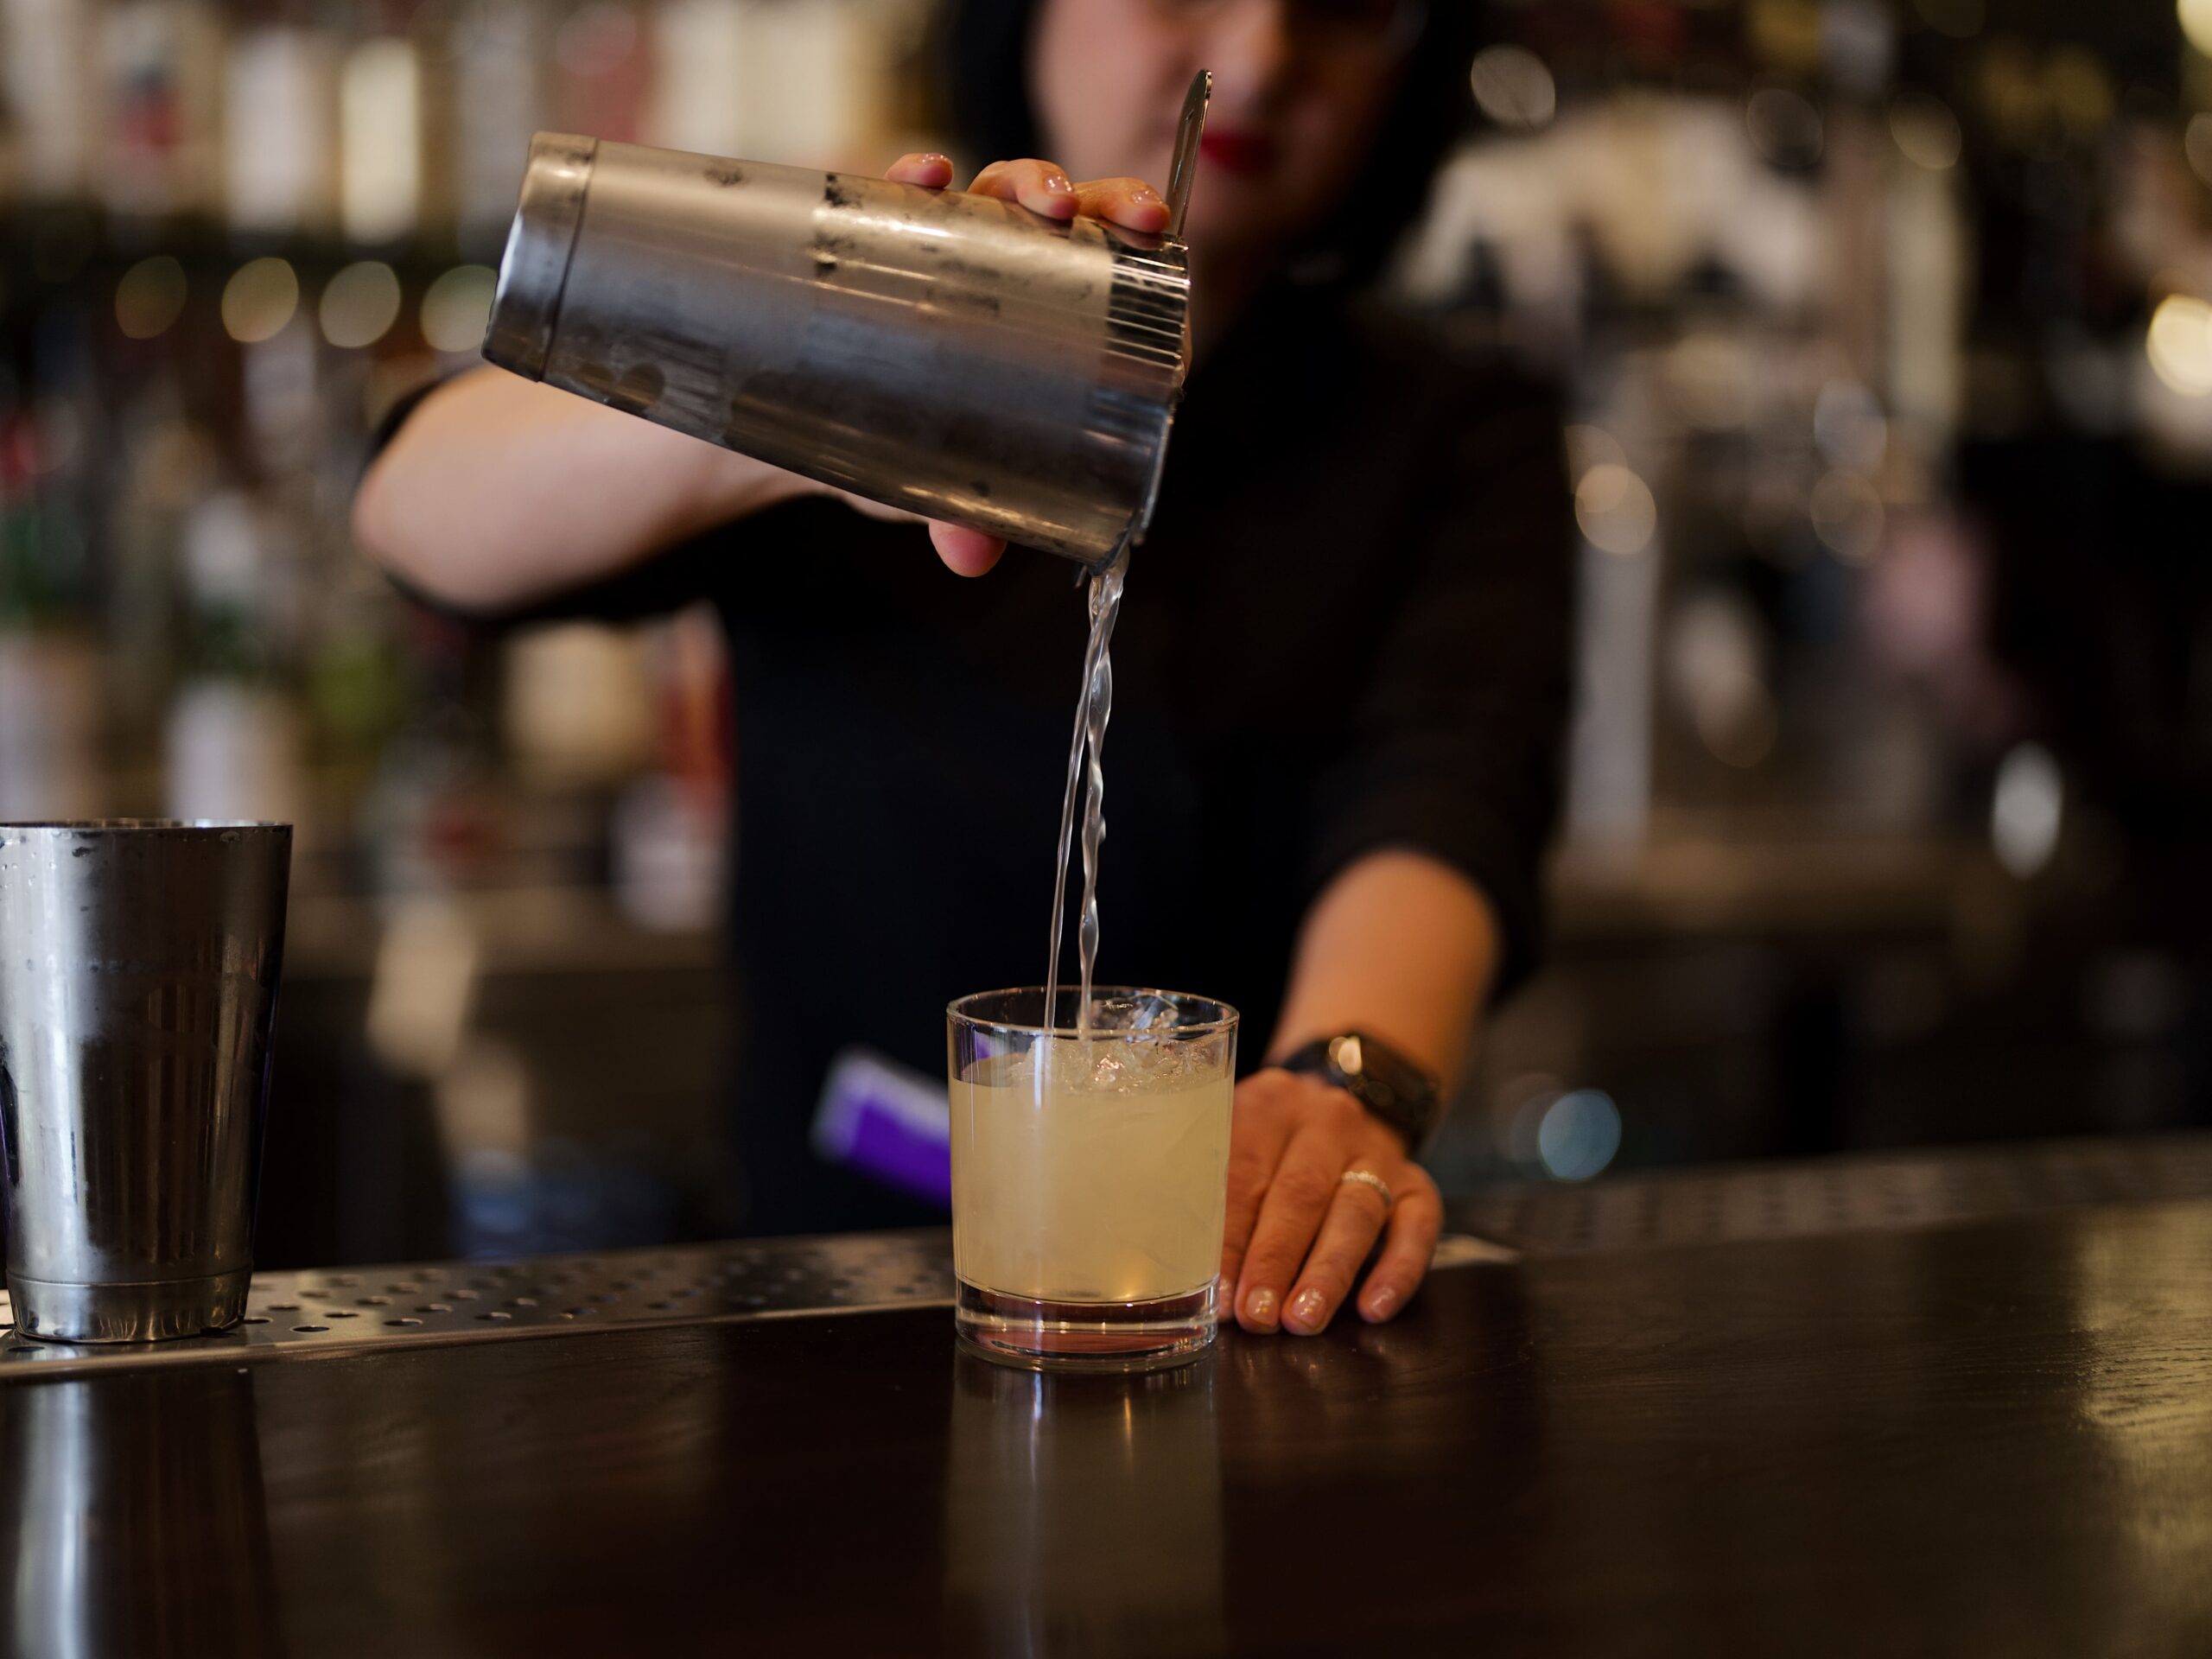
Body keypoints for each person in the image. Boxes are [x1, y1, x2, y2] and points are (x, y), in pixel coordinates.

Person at [354, 0, 1573, 1338]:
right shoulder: (868, 309)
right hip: (827, 1300)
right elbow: (417, 518)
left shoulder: (1459, 433)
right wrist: (826, 370)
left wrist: (1338, 1083)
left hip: (1232, 1291)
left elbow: (1448, 789)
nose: (1267, 54)